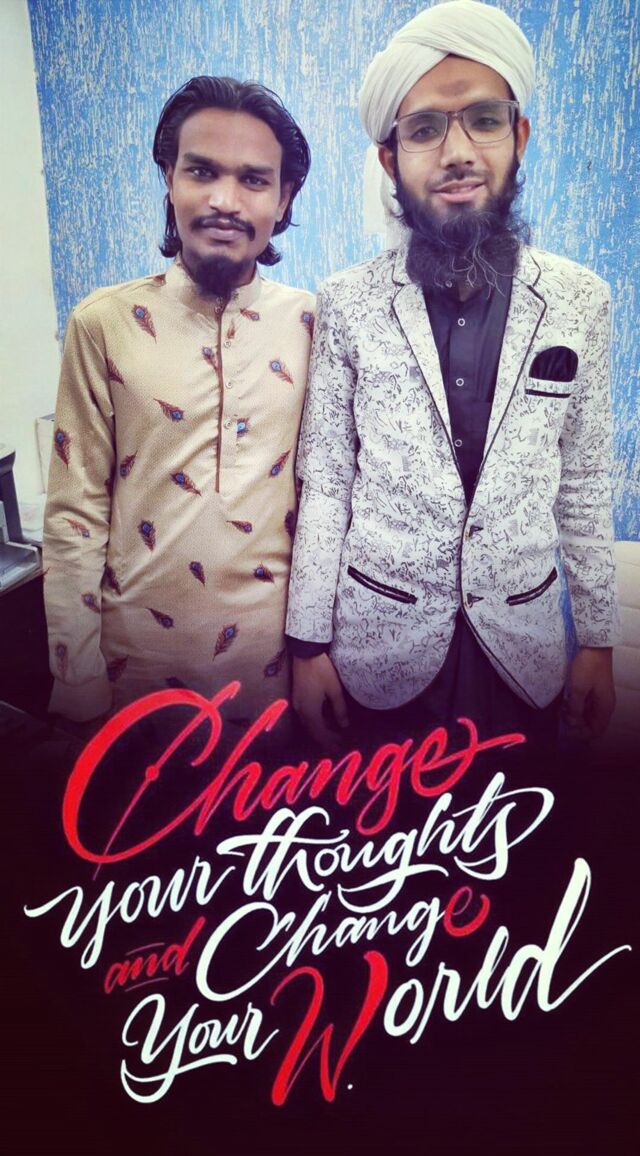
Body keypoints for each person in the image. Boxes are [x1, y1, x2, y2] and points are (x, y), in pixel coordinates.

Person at [286, 0, 618, 757]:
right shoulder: (346, 302)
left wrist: (598, 641)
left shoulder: (581, 299)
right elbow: (328, 480)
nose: (458, 151)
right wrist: (307, 645)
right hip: (377, 658)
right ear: (390, 159)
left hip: (523, 659)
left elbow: (583, 480)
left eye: (484, 120)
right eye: (425, 128)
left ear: (519, 136)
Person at [43, 76, 314, 729]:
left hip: (275, 681)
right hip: (132, 679)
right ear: (169, 178)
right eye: (201, 171)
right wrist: (77, 682)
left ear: (283, 198)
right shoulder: (104, 324)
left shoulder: (315, 325)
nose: (224, 200)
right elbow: (75, 515)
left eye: (254, 180)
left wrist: (320, 658)